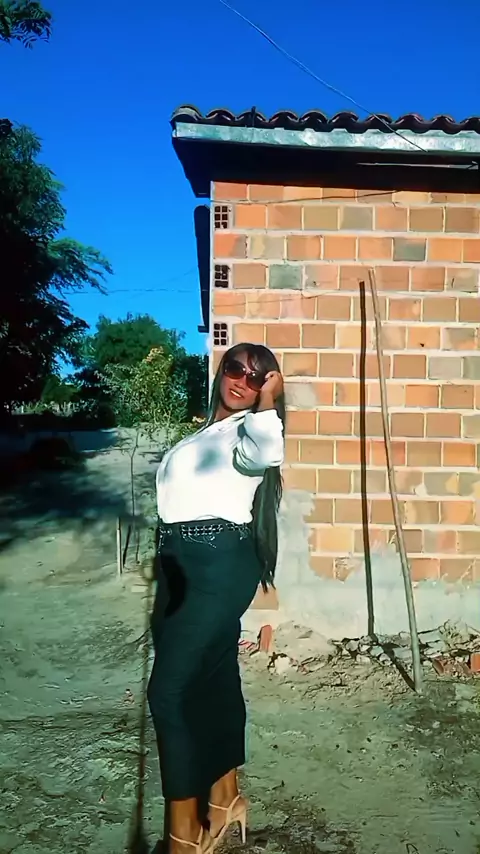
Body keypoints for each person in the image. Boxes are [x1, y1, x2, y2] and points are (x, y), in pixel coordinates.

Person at [148, 342, 285, 853]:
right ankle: (225, 798)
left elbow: (268, 453)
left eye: (256, 377)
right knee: (212, 676)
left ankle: (185, 835)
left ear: (265, 388)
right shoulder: (208, 432)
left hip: (215, 562)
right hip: (181, 563)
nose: (242, 380)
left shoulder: (253, 431)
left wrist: (269, 400)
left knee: (170, 692)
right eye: (235, 368)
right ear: (220, 371)